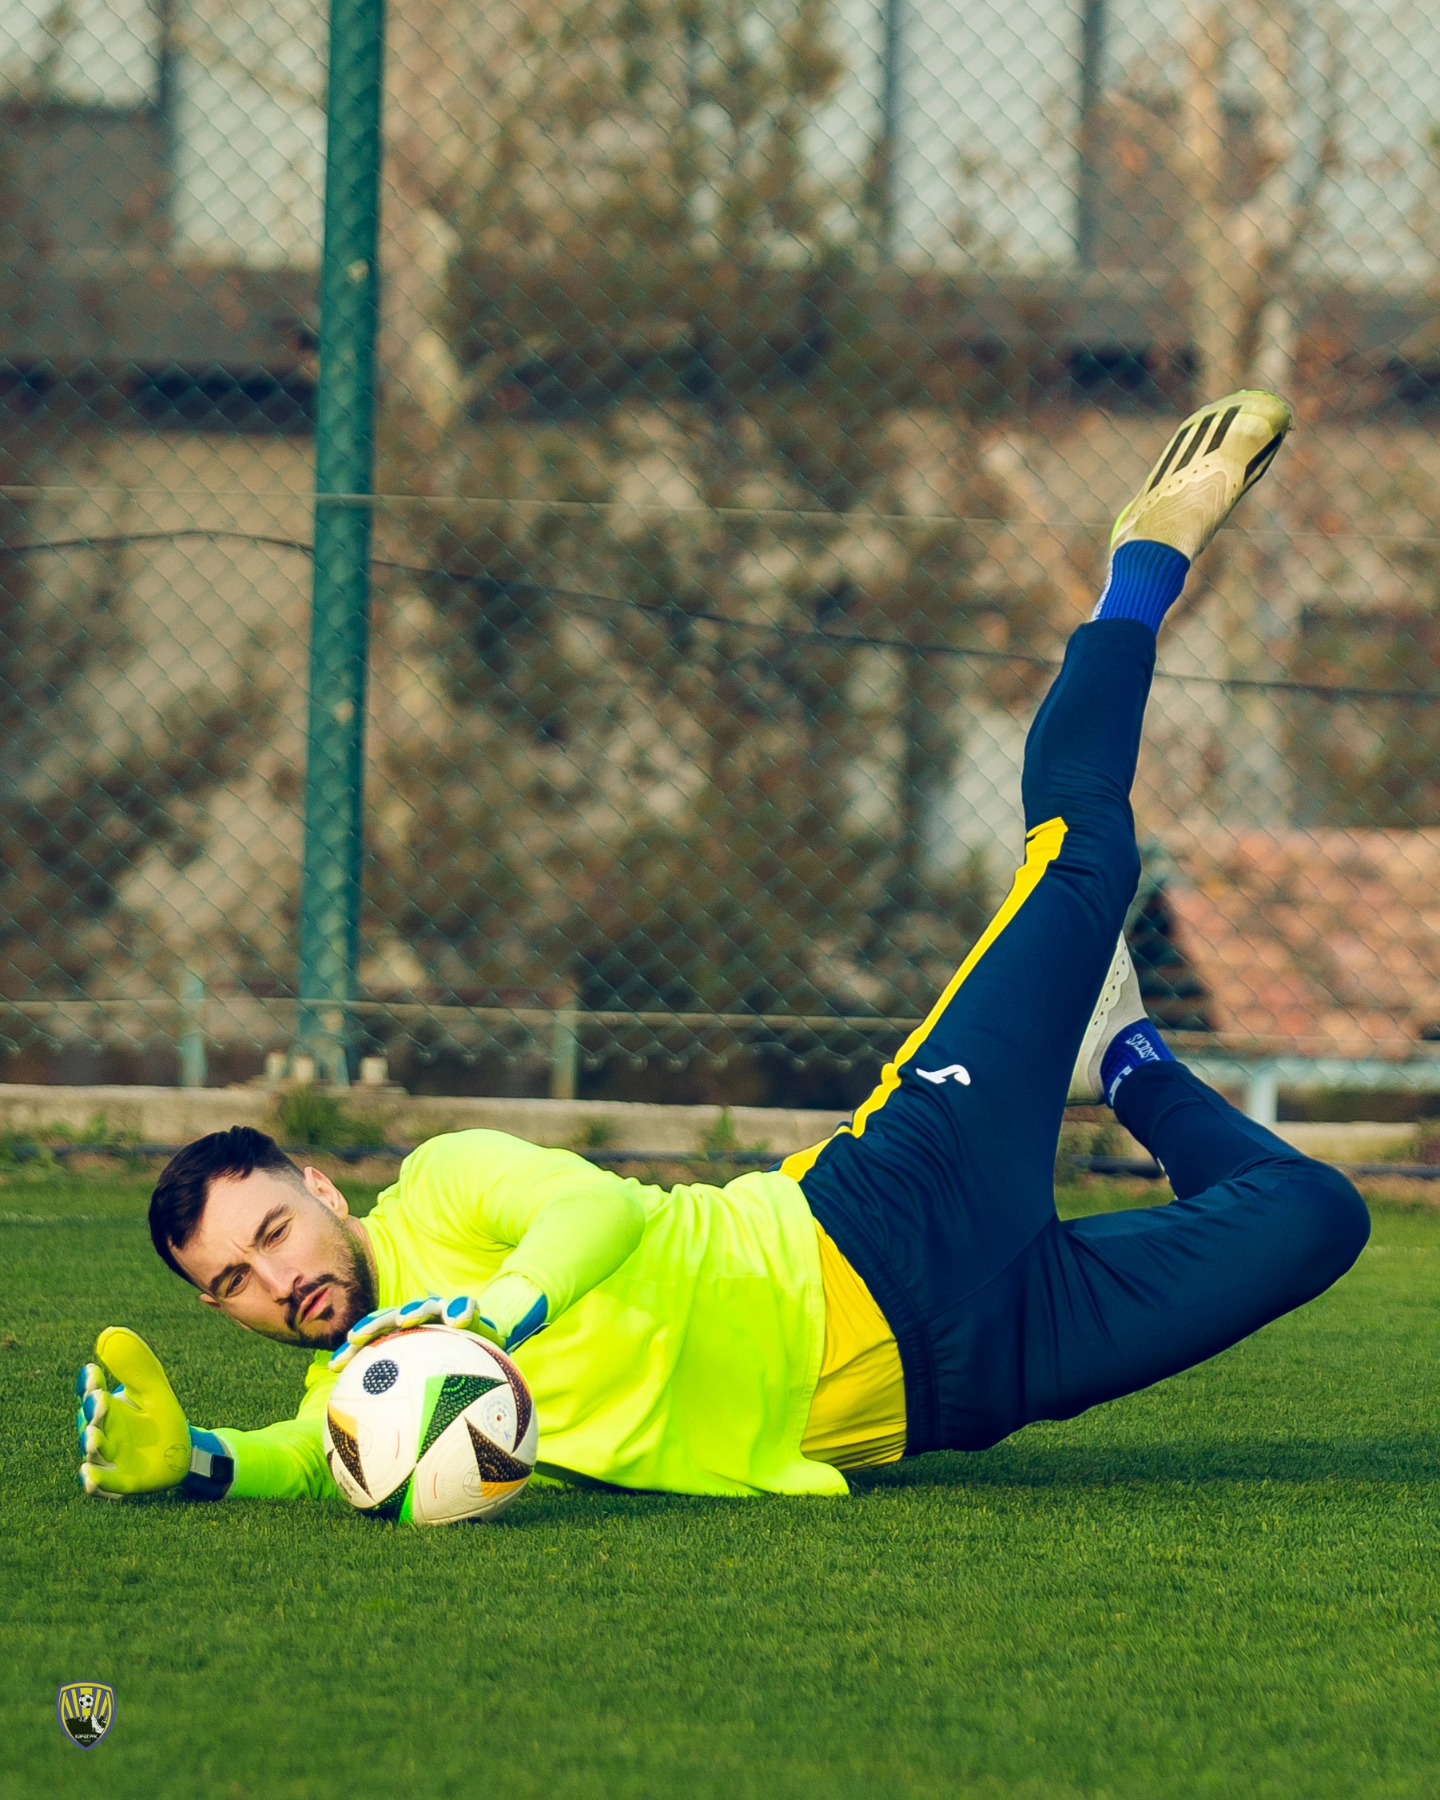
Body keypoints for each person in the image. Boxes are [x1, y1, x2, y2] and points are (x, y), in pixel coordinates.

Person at [74, 388, 1370, 1507]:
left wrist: (493, 1323)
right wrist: (188, 1461)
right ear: (222, 1312)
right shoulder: (373, 1387)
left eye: (273, 1229)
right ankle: (1128, 1058)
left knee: (1088, 863)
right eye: (237, 1280)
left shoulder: (449, 1188)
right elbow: (303, 1455)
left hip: (882, 1215)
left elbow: (591, 1211)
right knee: (1313, 1218)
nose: (278, 1276)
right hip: (962, 1377)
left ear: (317, 1186)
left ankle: (1141, 565)